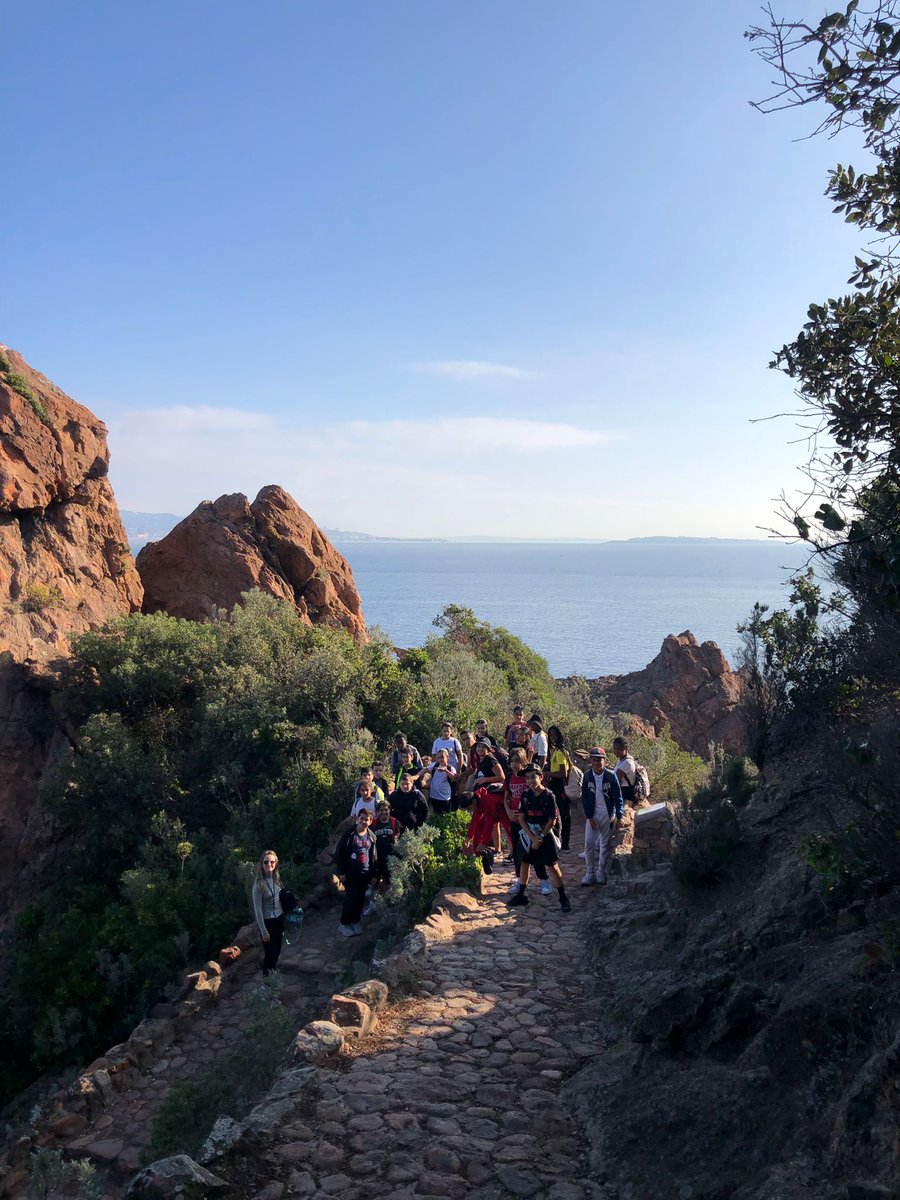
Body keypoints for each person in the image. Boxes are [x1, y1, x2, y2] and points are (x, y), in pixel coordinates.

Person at [507, 766, 571, 912]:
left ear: (540, 777)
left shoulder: (549, 796)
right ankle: (521, 894)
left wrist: (540, 837)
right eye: (527, 778)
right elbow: (521, 817)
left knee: (552, 866)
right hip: (529, 834)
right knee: (524, 862)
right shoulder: (525, 795)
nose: (530, 781)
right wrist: (531, 837)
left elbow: (552, 820)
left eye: (533, 777)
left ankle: (563, 897)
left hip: (545, 834)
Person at [580, 747, 624, 886]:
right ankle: (589, 872)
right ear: (590, 760)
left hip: (607, 813)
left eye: (599, 759)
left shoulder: (611, 776)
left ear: (604, 760)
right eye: (594, 759)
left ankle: (601, 872)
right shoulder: (587, 776)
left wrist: (619, 816)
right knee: (589, 844)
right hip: (593, 814)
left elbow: (618, 797)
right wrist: (590, 817)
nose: (597, 762)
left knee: (604, 844)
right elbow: (585, 798)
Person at [335, 808, 378, 936]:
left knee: (360, 898)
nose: (364, 821)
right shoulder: (349, 834)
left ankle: (355, 921)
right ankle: (344, 923)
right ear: (357, 818)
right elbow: (339, 853)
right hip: (350, 873)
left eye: (367, 819)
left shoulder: (371, 836)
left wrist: (374, 873)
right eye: (362, 818)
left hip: (365, 873)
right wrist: (341, 872)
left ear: (370, 822)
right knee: (351, 898)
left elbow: (374, 856)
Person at [252, 850, 284, 975]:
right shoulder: (259, 884)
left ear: (275, 863)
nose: (269, 864)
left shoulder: (276, 878)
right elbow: (257, 908)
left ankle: (273, 975)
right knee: (269, 953)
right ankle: (267, 981)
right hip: (268, 922)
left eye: (272, 862)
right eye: (266, 862)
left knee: (276, 951)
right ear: (262, 864)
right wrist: (263, 930)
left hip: (278, 919)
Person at [547, 725, 573, 851]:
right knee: (558, 814)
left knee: (563, 814)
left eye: (554, 735)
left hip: (559, 786)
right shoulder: (557, 751)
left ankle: (565, 844)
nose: (552, 738)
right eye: (550, 735)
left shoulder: (560, 752)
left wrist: (549, 774)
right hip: (556, 785)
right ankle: (560, 842)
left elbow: (563, 773)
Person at [372, 800, 398, 888]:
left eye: (386, 810)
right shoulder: (374, 823)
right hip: (377, 856)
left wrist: (396, 839)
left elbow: (397, 834)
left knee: (390, 880)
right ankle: (373, 899)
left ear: (389, 810)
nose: (384, 812)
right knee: (376, 879)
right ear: (378, 811)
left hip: (390, 854)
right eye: (381, 810)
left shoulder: (394, 822)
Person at [424, 747, 457, 815]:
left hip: (444, 798)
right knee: (434, 815)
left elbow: (454, 778)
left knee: (445, 816)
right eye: (438, 758)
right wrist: (417, 775)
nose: (440, 759)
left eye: (442, 757)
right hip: (433, 796)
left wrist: (445, 771)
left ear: (447, 757)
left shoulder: (450, 768)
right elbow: (425, 769)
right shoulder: (434, 765)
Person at [613, 736, 637, 806]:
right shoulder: (621, 760)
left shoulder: (627, 762)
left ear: (626, 749)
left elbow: (615, 778)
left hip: (626, 794)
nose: (616, 751)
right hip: (621, 792)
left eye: (619, 749)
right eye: (614, 748)